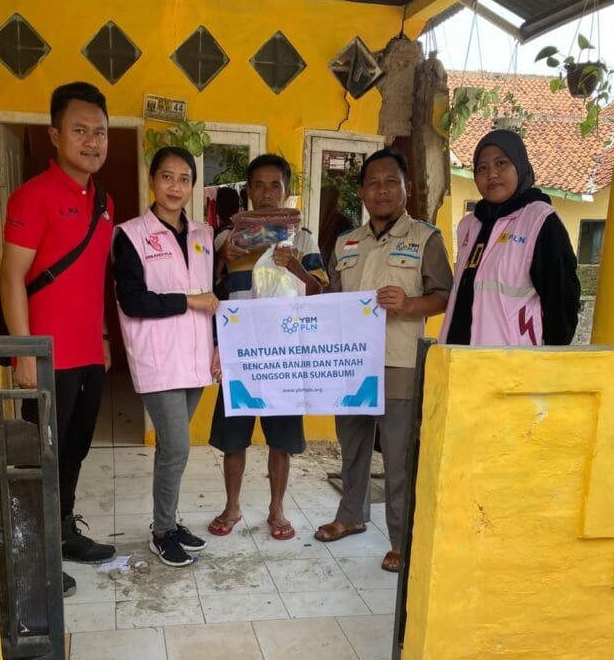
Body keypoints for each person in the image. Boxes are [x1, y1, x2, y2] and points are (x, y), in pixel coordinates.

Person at [0, 81, 116, 598]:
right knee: (39, 457)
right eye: (79, 130)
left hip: (90, 354)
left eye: (100, 132)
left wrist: (106, 337)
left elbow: (95, 278)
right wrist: (25, 353)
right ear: (54, 135)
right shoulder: (32, 196)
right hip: (46, 357)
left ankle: (64, 532)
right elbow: (11, 279)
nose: (92, 141)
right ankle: (36, 554)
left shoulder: (105, 202)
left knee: (74, 452)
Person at [314, 148, 452, 572]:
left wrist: (410, 304)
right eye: (372, 182)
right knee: (351, 446)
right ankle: (351, 515)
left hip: (398, 363)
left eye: (391, 181)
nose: (382, 190)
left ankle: (400, 539)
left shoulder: (424, 239)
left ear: (406, 188)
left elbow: (445, 297)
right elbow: (334, 301)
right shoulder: (345, 242)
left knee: (397, 456)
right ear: (361, 191)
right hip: (350, 365)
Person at [208, 153, 328, 541]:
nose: (265, 192)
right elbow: (207, 289)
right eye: (257, 185)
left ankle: (277, 510)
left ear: (286, 191)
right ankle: (232, 506)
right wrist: (221, 260)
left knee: (281, 440)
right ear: (247, 191)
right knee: (233, 439)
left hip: (284, 357)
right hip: (240, 354)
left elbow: (321, 292)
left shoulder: (303, 238)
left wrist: (294, 265)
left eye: (274, 184)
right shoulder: (228, 238)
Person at [112, 146, 218, 568]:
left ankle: (170, 523)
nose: (175, 187)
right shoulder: (130, 234)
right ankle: (161, 532)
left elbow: (211, 298)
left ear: (193, 185)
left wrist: (215, 346)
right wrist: (190, 301)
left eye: (184, 179)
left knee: (172, 450)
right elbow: (133, 300)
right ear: (152, 180)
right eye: (167, 177)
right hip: (157, 359)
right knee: (176, 446)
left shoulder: (202, 235)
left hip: (195, 358)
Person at [440, 129, 580, 346]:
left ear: (520, 165)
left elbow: (562, 303)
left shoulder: (540, 220)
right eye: (482, 168)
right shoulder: (470, 224)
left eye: (501, 163)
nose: (492, 174)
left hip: (513, 365)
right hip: (462, 359)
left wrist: (547, 359)